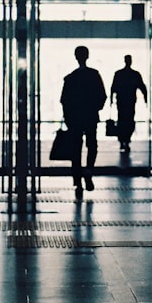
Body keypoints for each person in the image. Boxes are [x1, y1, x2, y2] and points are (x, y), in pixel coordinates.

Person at [61, 45, 108, 197]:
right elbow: (102, 95)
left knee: (76, 148)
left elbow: (64, 100)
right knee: (92, 144)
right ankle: (88, 170)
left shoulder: (71, 77)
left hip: (75, 118)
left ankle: (77, 181)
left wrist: (68, 118)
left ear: (76, 57)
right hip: (90, 116)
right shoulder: (94, 75)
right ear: (87, 56)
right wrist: (95, 108)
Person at [110, 54, 148, 152]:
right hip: (129, 101)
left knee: (122, 120)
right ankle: (126, 139)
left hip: (122, 102)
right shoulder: (134, 74)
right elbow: (142, 87)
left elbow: (113, 88)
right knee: (129, 120)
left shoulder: (119, 74)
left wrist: (111, 100)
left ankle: (123, 140)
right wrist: (145, 99)